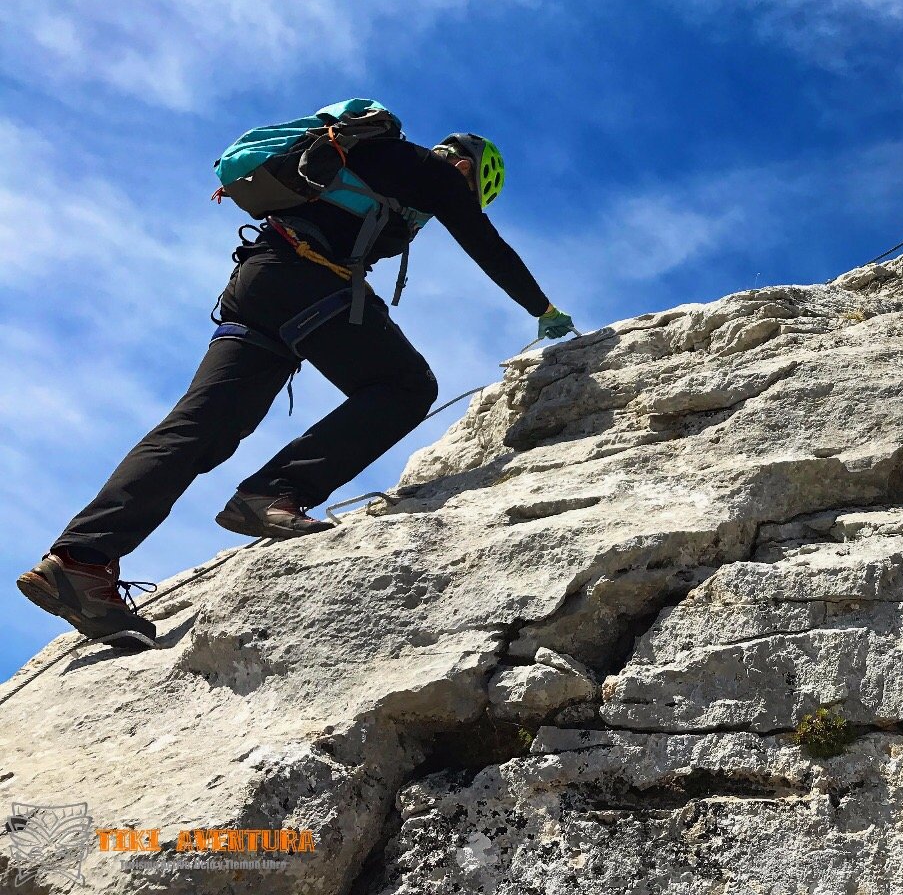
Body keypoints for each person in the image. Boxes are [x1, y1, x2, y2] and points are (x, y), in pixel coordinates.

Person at [17, 129, 575, 649]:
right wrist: (543, 310)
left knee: (199, 427)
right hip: (308, 279)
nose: (457, 202)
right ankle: (272, 494)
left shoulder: (360, 155)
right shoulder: (431, 171)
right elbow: (487, 246)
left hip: (259, 279)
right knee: (405, 384)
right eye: (473, 187)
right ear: (466, 167)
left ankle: (80, 562)